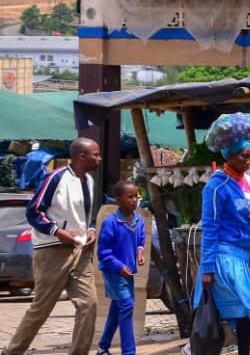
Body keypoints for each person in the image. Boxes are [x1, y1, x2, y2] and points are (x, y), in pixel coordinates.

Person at [3, 138, 100, 355]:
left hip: (80, 250)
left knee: (89, 304)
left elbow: (86, 216)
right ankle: (12, 351)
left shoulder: (90, 181)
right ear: (81, 156)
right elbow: (33, 211)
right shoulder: (56, 178)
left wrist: (91, 230)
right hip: (52, 250)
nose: (99, 158)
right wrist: (57, 231)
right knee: (42, 308)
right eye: (96, 154)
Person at [197, 114, 250, 355]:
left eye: (249, 157)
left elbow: (245, 216)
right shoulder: (215, 187)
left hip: (242, 257)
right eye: (242, 156)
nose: (248, 161)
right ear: (229, 156)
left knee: (243, 312)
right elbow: (210, 228)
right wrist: (207, 269)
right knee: (237, 311)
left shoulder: (246, 182)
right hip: (224, 259)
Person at [97, 181, 146, 355]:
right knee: (127, 306)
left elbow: (141, 240)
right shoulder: (110, 222)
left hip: (128, 271)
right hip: (113, 271)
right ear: (118, 200)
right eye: (130, 197)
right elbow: (103, 252)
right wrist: (119, 267)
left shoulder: (138, 220)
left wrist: (140, 253)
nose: (134, 200)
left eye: (136, 196)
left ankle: (103, 347)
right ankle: (128, 352)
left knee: (117, 309)